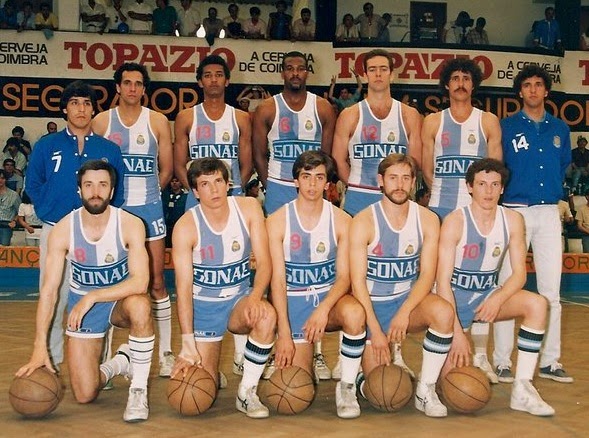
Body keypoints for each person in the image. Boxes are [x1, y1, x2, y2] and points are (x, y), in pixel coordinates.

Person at [16, 160, 155, 423]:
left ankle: (138, 390)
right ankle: (121, 362)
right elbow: (49, 292)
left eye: (102, 185)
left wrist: (93, 296)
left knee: (140, 304)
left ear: (112, 190)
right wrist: (39, 346)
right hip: (83, 310)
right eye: (88, 185)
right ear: (79, 190)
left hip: (118, 300)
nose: (95, 191)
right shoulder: (63, 229)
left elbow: (140, 283)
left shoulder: (130, 223)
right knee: (84, 393)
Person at [436, 158, 554, 416]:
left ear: (502, 188)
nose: (488, 191)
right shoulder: (455, 221)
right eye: (481, 184)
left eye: (494, 184)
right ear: (470, 187)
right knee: (451, 386)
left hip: (486, 297)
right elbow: (442, 282)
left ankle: (522, 388)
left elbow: (519, 274)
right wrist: (457, 334)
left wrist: (498, 298)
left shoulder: (513, 219)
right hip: (450, 304)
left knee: (537, 304)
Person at [26, 80, 126, 372]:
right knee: (53, 295)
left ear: (93, 109)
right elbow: (33, 184)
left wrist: (104, 225)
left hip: (97, 234)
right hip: (55, 229)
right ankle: (50, 359)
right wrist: (49, 210)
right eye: (74, 103)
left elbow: (118, 192)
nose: (81, 109)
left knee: (99, 298)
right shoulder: (47, 145)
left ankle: (100, 365)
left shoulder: (108, 149)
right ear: (64, 109)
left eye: (86, 103)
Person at [349, 153, 454, 418]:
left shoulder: (428, 219)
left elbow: (427, 275)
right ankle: (359, 376)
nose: (399, 184)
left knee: (443, 312)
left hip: (407, 302)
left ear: (413, 181)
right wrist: (375, 330)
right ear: (380, 180)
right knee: (382, 390)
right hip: (371, 306)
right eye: (393, 178)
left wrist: (404, 313)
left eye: (406, 178)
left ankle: (425, 389)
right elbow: (357, 282)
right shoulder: (363, 220)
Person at [171, 157, 276, 418]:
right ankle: (212, 369)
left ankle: (247, 392)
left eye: (218, 181)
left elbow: (265, 263)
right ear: (195, 192)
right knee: (197, 394)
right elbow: (183, 290)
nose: (214, 189)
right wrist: (187, 342)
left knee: (266, 315)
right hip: (204, 309)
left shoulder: (249, 208)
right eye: (205, 184)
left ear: (228, 183)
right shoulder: (185, 226)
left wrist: (255, 296)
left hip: (238, 301)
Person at [267, 151, 366, 418]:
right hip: (294, 305)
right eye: (306, 177)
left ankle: (347, 386)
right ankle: (304, 360)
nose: (312, 184)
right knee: (295, 390)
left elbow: (344, 277)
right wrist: (283, 333)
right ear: (296, 181)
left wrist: (323, 309)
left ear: (327, 184)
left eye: (319, 178)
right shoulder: (276, 221)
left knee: (355, 313)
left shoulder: (342, 220)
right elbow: (277, 282)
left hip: (328, 303)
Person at [92, 62, 174, 377]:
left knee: (156, 282)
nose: (132, 88)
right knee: (113, 283)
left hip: (149, 210)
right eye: (127, 83)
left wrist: (150, 197)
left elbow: (166, 169)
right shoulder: (102, 122)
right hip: (114, 213)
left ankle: (166, 354)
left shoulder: (157, 121)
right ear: (117, 87)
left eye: (138, 84)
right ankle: (106, 356)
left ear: (144, 88)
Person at [493, 65, 573, 384]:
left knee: (551, 291)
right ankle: (501, 361)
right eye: (527, 85)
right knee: (506, 287)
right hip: (515, 211)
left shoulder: (560, 129)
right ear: (520, 92)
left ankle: (550, 361)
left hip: (549, 212)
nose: (533, 90)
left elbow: (563, 164)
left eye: (539, 84)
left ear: (546, 91)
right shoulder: (506, 127)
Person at [174, 54, 253, 372]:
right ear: (199, 81)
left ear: (227, 80)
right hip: (198, 200)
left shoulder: (240, 118)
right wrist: (199, 194)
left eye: (219, 75)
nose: (214, 80)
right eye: (207, 75)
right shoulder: (186, 117)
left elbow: (246, 162)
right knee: (199, 271)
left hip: (230, 197)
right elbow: (180, 163)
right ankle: (200, 340)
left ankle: (240, 350)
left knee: (237, 264)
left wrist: (233, 192)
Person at [332, 49, 423, 217]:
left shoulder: (409, 115)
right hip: (358, 197)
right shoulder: (350, 115)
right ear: (365, 76)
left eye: (383, 69)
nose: (378, 74)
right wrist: (355, 184)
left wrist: (399, 188)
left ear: (392, 75)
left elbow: (415, 162)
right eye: (372, 69)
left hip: (396, 198)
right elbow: (338, 159)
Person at [253, 51, 336, 215]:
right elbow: (258, 155)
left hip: (312, 187)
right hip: (278, 186)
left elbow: (327, 157)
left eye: (300, 69)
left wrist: (320, 185)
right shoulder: (266, 108)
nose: (295, 73)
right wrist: (270, 186)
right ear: (282, 73)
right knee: (276, 232)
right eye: (290, 69)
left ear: (307, 73)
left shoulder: (323, 108)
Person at [422, 58, 502, 220]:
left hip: (476, 208)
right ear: (447, 84)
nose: (460, 84)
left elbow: (496, 171)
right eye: (455, 79)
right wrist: (442, 193)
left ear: (473, 85)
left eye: (466, 79)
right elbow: (427, 171)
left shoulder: (488, 120)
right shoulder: (432, 121)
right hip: (440, 206)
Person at [161, 176, 187, 248]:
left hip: (179, 226)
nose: (174, 183)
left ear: (181, 183)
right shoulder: (165, 195)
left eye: (176, 181)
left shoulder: (185, 197)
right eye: (172, 181)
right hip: (167, 227)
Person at [0, 169, 21, 246]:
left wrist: (14, 221)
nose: (0, 180)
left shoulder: (14, 195)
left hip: (6, 225)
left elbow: (20, 211)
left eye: (2, 178)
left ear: (6, 179)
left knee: (5, 249)